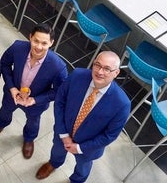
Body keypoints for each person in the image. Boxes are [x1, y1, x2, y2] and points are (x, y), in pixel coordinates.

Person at [35, 51, 130, 183]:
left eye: (107, 69)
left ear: (116, 73)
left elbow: (110, 135)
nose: (100, 72)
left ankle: (77, 180)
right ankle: (54, 163)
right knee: (57, 150)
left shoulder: (122, 104)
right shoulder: (77, 75)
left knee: (83, 166)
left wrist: (80, 148)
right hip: (63, 132)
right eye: (97, 65)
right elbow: (60, 100)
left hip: (88, 148)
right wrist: (63, 134)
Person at [0, 24, 68, 159]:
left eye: (44, 43)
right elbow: (5, 64)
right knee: (5, 110)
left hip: (36, 102)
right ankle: (0, 125)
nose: (38, 46)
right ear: (30, 37)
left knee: (33, 121)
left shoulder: (58, 67)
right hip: (12, 93)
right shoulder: (18, 47)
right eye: (36, 41)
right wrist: (12, 87)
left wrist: (35, 100)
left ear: (51, 43)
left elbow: (60, 91)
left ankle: (29, 138)